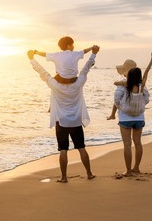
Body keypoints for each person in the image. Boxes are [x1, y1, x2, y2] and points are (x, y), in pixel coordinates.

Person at [27, 45, 100, 183]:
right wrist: (94, 54)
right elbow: (86, 68)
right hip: (76, 121)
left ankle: (64, 177)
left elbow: (42, 71)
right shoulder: (78, 83)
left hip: (61, 122)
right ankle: (89, 173)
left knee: (63, 150)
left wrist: (32, 59)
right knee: (81, 148)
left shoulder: (54, 84)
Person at [114, 52, 152, 177]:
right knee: (138, 143)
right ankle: (136, 168)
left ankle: (128, 170)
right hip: (139, 119)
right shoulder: (142, 85)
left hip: (125, 119)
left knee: (127, 145)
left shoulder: (124, 85)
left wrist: (121, 107)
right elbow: (147, 99)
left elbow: (116, 100)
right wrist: (151, 61)